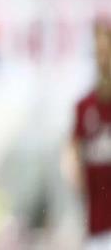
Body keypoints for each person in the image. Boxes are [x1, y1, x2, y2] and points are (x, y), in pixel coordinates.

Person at [68, 19, 111, 250]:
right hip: (96, 230)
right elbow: (72, 158)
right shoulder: (84, 107)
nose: (103, 60)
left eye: (107, 52)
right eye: (99, 53)